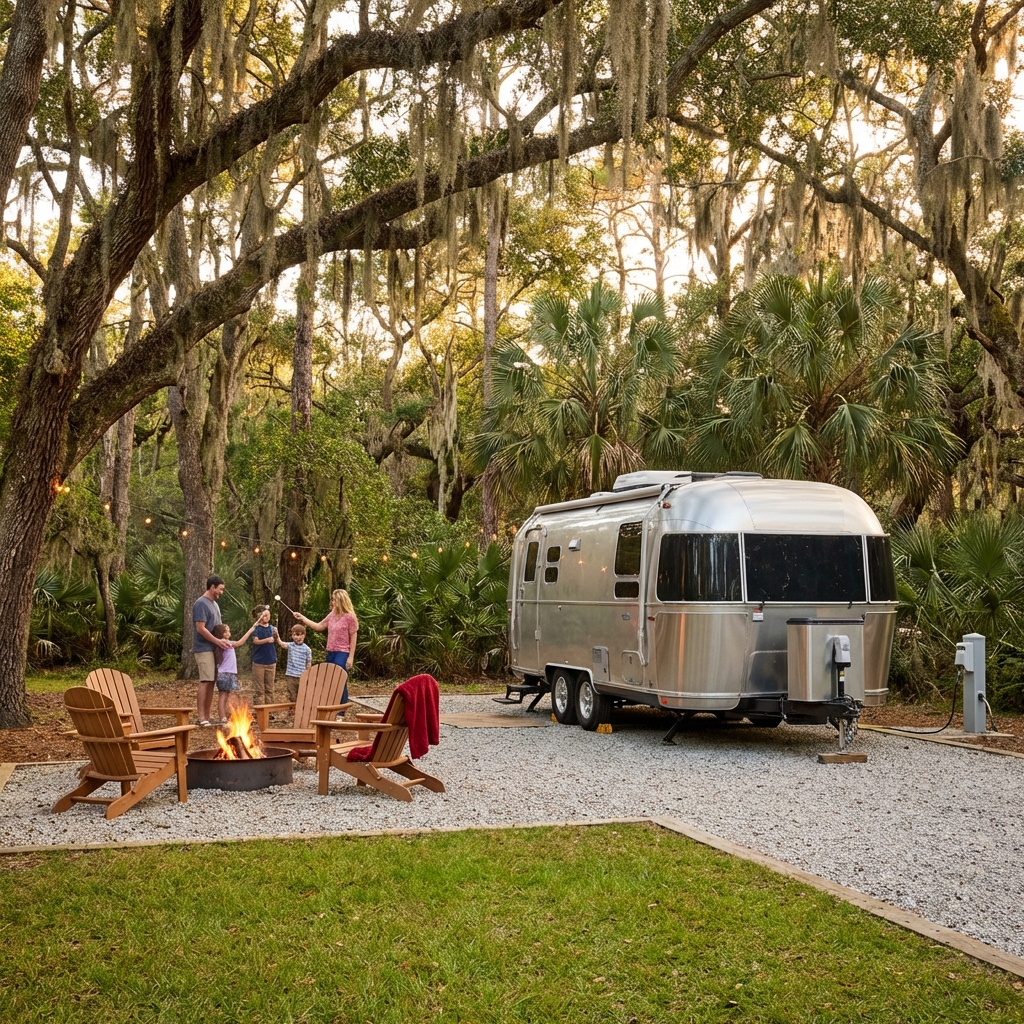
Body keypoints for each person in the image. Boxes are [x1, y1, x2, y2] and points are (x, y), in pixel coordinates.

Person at [296, 589, 358, 703]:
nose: (332, 602)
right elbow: (319, 626)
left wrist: (351, 657)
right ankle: (332, 707)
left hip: (342, 653)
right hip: (331, 652)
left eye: (334, 600)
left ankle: (341, 711)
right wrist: (303, 618)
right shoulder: (332, 615)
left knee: (339, 679)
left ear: (340, 600)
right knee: (330, 680)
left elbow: (353, 638)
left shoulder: (350, 618)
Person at [192, 574, 228, 727]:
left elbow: (217, 628)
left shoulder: (215, 605)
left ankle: (207, 716)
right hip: (203, 648)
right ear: (212, 587)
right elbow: (200, 628)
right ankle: (201, 717)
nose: (221, 592)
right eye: (220, 589)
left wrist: (224, 640)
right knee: (206, 680)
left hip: (214, 648)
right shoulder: (201, 603)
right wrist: (217, 641)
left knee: (212, 681)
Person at [211, 622, 256, 724]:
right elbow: (240, 642)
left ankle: (226, 716)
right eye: (227, 630)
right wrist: (250, 630)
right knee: (224, 696)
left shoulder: (223, 642)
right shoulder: (224, 642)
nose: (229, 632)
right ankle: (223, 717)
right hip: (225, 674)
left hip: (227, 674)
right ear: (222, 634)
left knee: (226, 695)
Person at [249, 605, 280, 706]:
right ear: (259, 617)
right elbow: (255, 641)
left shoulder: (273, 629)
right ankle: (260, 709)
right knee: (259, 689)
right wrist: (267, 640)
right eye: (264, 615)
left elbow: (278, 641)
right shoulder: (255, 629)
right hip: (259, 662)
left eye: (268, 614)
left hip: (271, 661)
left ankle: (269, 711)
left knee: (270, 688)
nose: (267, 617)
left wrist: (276, 637)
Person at [278, 623, 313, 703]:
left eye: (300, 635)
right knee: (292, 694)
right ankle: (292, 710)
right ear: (292, 636)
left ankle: (301, 709)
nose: (298, 637)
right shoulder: (290, 645)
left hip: (302, 675)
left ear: (304, 635)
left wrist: (308, 675)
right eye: (295, 635)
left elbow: (308, 663)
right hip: (291, 675)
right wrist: (277, 636)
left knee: (302, 694)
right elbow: (282, 644)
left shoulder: (307, 649)